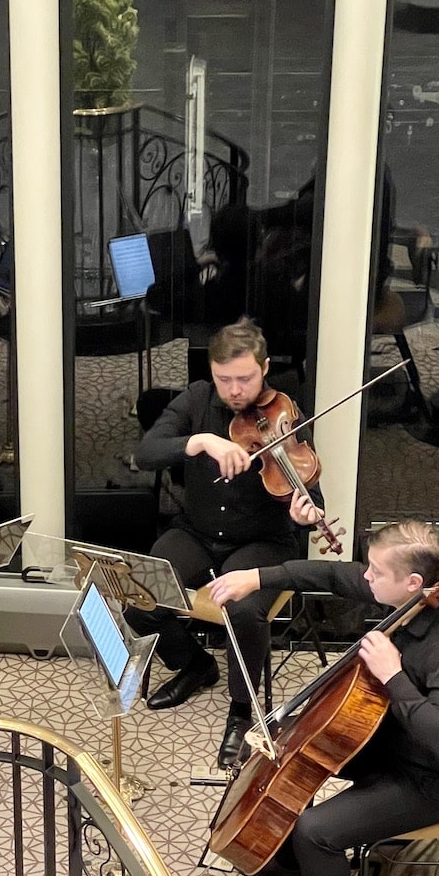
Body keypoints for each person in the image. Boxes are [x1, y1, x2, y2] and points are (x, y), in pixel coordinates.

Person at [206, 519, 439, 876]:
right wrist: (259, 578)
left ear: (413, 582)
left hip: (434, 779)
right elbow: (334, 576)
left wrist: (394, 675)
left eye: (376, 571)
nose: (366, 578)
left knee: (316, 832)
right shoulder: (404, 599)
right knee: (294, 764)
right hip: (389, 741)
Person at [125, 317, 324, 768]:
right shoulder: (197, 399)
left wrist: (303, 511)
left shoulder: (284, 415)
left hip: (264, 542)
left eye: (246, 379)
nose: (235, 390)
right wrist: (200, 441)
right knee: (137, 594)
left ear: (265, 368)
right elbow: (145, 453)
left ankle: (242, 709)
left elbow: (310, 496)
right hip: (197, 532)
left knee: (242, 609)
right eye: (225, 379)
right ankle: (195, 664)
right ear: (212, 373)